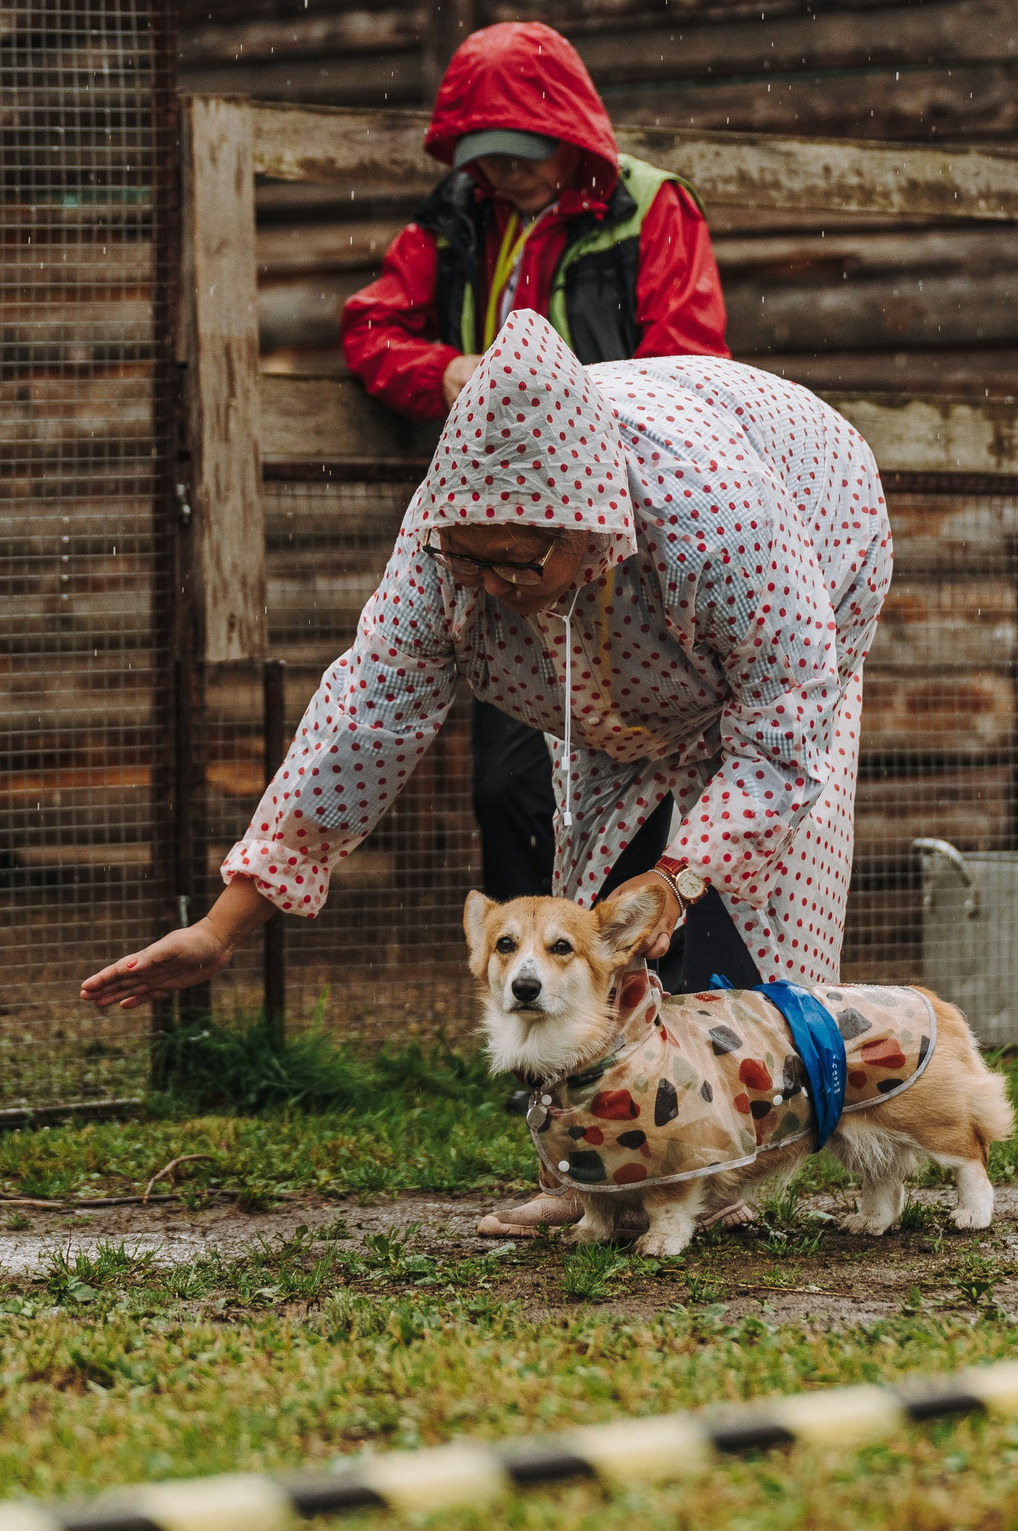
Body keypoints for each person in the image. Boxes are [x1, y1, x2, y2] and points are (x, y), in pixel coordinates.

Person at [83, 312, 885, 1237]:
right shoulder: (447, 557)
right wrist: (225, 927)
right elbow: (362, 723)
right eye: (470, 559)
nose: (490, 585)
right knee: (589, 928)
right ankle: (594, 1166)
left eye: (515, 563)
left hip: (811, 564)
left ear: (593, 533)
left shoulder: (723, 522)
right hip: (609, 695)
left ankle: (720, 1165)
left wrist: (681, 876)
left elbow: (781, 739)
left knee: (728, 920)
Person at [342, 20, 730, 903]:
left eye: (522, 153)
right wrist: (446, 373)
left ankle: (634, 990)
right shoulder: (456, 217)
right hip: (500, 539)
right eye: (485, 154)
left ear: (569, 138)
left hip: (624, 530)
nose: (503, 172)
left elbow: (692, 366)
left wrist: (587, 423)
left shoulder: (650, 207)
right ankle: (534, 1010)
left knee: (638, 762)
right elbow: (370, 324)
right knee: (509, 784)